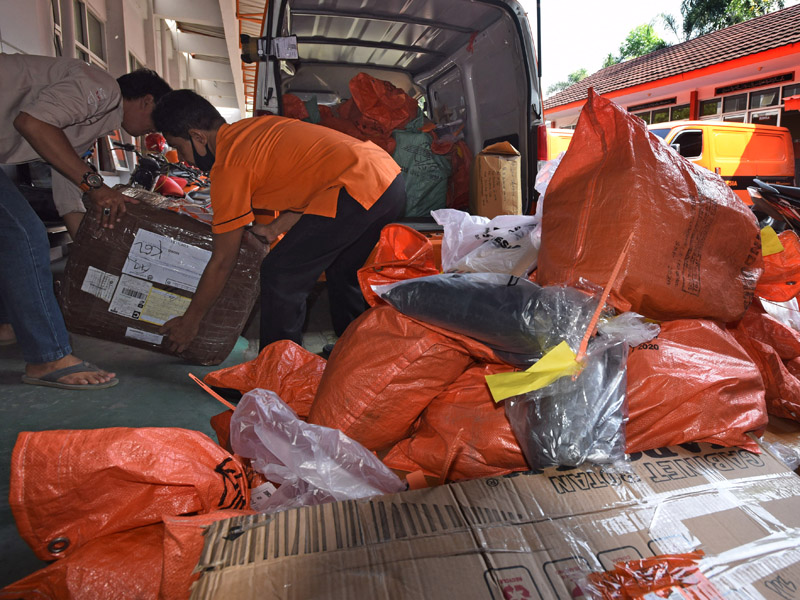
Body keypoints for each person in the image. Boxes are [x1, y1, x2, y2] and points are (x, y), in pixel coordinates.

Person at [151, 90, 406, 354]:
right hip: (387, 180)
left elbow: (223, 260)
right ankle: (354, 357)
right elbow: (316, 184)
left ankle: (278, 374)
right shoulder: (253, 129)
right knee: (343, 273)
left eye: (179, 147)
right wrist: (274, 229)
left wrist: (190, 322)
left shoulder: (230, 164)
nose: (181, 158)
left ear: (197, 137)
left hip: (357, 186)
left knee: (281, 273)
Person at [0, 54, 171, 390]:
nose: (157, 129)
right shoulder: (102, 87)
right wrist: (97, 187)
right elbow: (32, 123)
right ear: (146, 99)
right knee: (23, 235)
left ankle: (9, 325)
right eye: (159, 117)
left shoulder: (93, 125)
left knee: (13, 236)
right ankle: (48, 357)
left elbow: (68, 194)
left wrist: (99, 256)